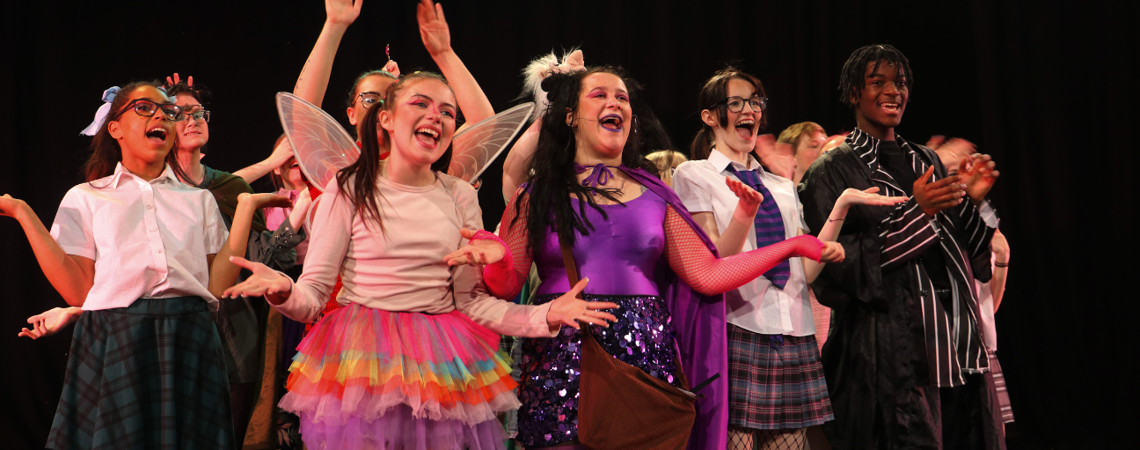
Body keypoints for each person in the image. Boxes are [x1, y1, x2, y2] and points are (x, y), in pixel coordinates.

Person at [220, 71, 616, 450]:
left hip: (441, 364)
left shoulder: (460, 195)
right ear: (387, 118)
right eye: (422, 104)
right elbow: (313, 295)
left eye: (447, 112)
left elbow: (472, 302)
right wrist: (283, 289)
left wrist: (545, 315)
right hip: (362, 363)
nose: (436, 117)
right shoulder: (350, 188)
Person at [480, 66, 826, 449]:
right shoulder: (538, 192)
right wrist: (493, 257)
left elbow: (706, 274)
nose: (615, 102)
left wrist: (791, 246)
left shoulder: (655, 193)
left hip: (643, 351)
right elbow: (507, 284)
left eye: (623, 97)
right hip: (562, 349)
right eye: (599, 95)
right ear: (570, 115)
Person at [4, 81, 286, 449]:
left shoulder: (198, 200)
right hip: (117, 337)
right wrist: (21, 212)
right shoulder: (87, 198)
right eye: (145, 109)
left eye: (169, 113)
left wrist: (246, 207)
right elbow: (77, 290)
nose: (162, 117)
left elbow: (217, 286)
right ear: (115, 127)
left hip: (190, 335)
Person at [673, 67, 905, 450]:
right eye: (736, 103)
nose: (750, 109)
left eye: (755, 101)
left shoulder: (780, 185)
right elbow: (716, 263)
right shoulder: (694, 174)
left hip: (795, 332)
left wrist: (841, 207)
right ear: (710, 116)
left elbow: (806, 270)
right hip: (738, 329)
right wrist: (744, 214)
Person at [797, 44, 1003, 450]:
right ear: (855, 92)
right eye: (878, 82)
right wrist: (918, 212)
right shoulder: (832, 169)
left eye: (901, 82)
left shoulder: (925, 159)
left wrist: (975, 203)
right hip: (886, 352)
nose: (894, 90)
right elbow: (841, 269)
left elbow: (975, 260)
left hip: (956, 342)